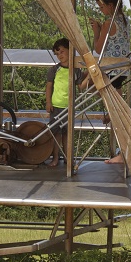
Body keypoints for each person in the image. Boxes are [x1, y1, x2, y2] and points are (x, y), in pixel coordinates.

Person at [91, 0, 131, 164]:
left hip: (111, 70)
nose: (101, 11)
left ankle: (124, 152)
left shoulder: (109, 23)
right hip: (122, 69)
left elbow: (98, 49)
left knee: (117, 114)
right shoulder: (125, 20)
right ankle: (122, 150)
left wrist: (97, 31)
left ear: (109, 5)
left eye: (101, 7)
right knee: (116, 109)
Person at [45, 37, 86, 167]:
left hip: (69, 107)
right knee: (56, 133)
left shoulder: (76, 70)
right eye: (57, 54)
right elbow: (49, 86)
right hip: (56, 106)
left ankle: (68, 158)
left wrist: (90, 75)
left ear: (70, 51)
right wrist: (48, 102)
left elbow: (80, 87)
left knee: (67, 134)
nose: (59, 56)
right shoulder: (54, 70)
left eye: (62, 52)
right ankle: (55, 157)